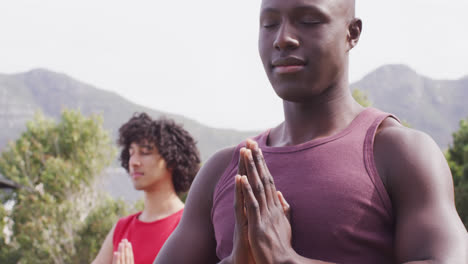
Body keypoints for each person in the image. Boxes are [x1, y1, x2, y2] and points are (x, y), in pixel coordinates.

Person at [154, 0, 468, 263]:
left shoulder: (399, 153)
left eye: (308, 20)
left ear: (352, 33)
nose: (283, 38)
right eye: (269, 24)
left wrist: (288, 261)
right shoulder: (222, 171)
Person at [92, 113, 201, 264]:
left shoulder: (188, 225)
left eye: (145, 153)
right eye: (131, 153)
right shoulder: (122, 229)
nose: (134, 162)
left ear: (171, 160)